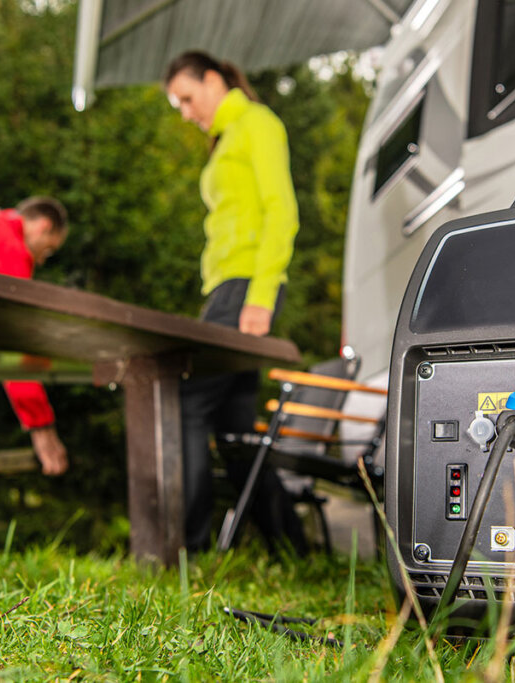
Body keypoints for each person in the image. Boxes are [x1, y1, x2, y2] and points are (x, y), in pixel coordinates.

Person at [163, 51, 306, 554]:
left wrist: (262, 295)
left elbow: (281, 210)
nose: (184, 110)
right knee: (235, 426)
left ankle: (184, 548)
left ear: (215, 78)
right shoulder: (226, 140)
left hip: (246, 287)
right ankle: (291, 547)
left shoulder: (256, 123)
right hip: (225, 289)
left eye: (187, 96)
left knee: (186, 405)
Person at [0, 195, 69, 476]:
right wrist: (42, 427)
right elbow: (14, 347)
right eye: (47, 252)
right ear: (43, 226)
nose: (39, 261)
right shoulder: (10, 248)